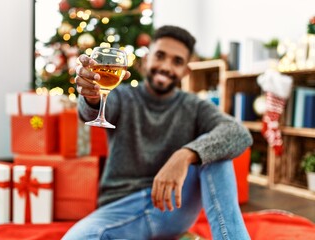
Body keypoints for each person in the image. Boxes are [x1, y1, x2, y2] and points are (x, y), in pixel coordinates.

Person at [62, 25, 253, 240]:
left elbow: (239, 133)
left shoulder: (194, 106)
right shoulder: (123, 97)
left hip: (171, 207)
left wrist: (185, 155)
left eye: (177, 61)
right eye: (160, 56)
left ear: (186, 71)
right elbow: (89, 112)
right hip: (119, 210)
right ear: (146, 61)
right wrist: (91, 96)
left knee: (216, 150)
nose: (166, 66)